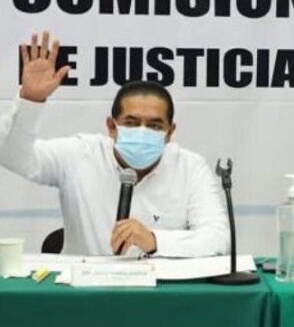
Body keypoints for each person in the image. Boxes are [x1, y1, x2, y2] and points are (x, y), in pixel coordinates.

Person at [0, 31, 229, 257]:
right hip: (83, 281)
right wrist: (30, 101)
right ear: (111, 126)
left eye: (155, 125)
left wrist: (154, 240)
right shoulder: (79, 155)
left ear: (170, 132)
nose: (142, 132)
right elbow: (13, 156)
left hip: (159, 281)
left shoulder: (190, 167)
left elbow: (219, 238)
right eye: (131, 122)